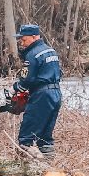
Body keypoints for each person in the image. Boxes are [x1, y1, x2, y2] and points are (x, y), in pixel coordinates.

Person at [12, 24, 62, 158]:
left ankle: (21, 168)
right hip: (56, 94)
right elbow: (58, 73)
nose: (22, 43)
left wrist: (16, 90)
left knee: (26, 135)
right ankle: (48, 167)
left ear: (34, 37)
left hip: (42, 96)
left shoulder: (32, 54)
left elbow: (26, 79)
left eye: (24, 39)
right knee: (45, 136)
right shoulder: (51, 51)